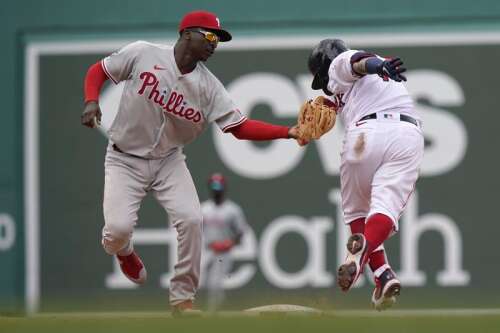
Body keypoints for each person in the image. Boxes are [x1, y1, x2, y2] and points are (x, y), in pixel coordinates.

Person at [80, 10, 300, 315]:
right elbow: (98, 70)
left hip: (168, 160)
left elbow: (239, 127)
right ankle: (124, 250)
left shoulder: (209, 87)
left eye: (218, 40)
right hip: (123, 158)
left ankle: (182, 299)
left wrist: (288, 132)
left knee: (193, 220)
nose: (214, 44)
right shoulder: (143, 53)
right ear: (186, 34)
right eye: (210, 36)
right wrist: (92, 100)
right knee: (117, 231)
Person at [307, 39, 424, 310]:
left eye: (320, 77)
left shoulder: (338, 63)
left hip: (365, 136)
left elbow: (358, 61)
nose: (323, 82)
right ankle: (382, 275)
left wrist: (378, 64)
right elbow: (346, 89)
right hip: (406, 136)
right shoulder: (365, 88)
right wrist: (380, 66)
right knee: (383, 209)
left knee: (357, 214)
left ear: (325, 66)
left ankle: (367, 263)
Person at [200, 173, 249, 312]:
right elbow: (196, 231)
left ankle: (213, 313)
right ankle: (199, 310)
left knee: (215, 283)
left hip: (223, 252)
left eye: (219, 186)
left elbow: (241, 232)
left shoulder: (232, 210)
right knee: (199, 282)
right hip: (206, 249)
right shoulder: (204, 208)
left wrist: (230, 243)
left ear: (224, 188)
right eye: (214, 186)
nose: (217, 189)